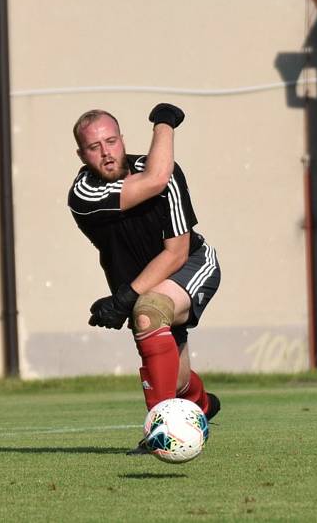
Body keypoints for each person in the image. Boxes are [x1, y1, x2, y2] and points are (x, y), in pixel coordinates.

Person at [67, 103, 221, 455]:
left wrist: (164, 122)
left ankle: (159, 432)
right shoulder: (85, 193)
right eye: (94, 147)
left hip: (191, 264)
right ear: (82, 154)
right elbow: (152, 182)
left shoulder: (165, 173)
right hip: (142, 282)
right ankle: (201, 404)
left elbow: (177, 252)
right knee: (177, 381)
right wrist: (129, 294)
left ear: (122, 139)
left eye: (111, 141)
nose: (106, 153)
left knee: (148, 311)